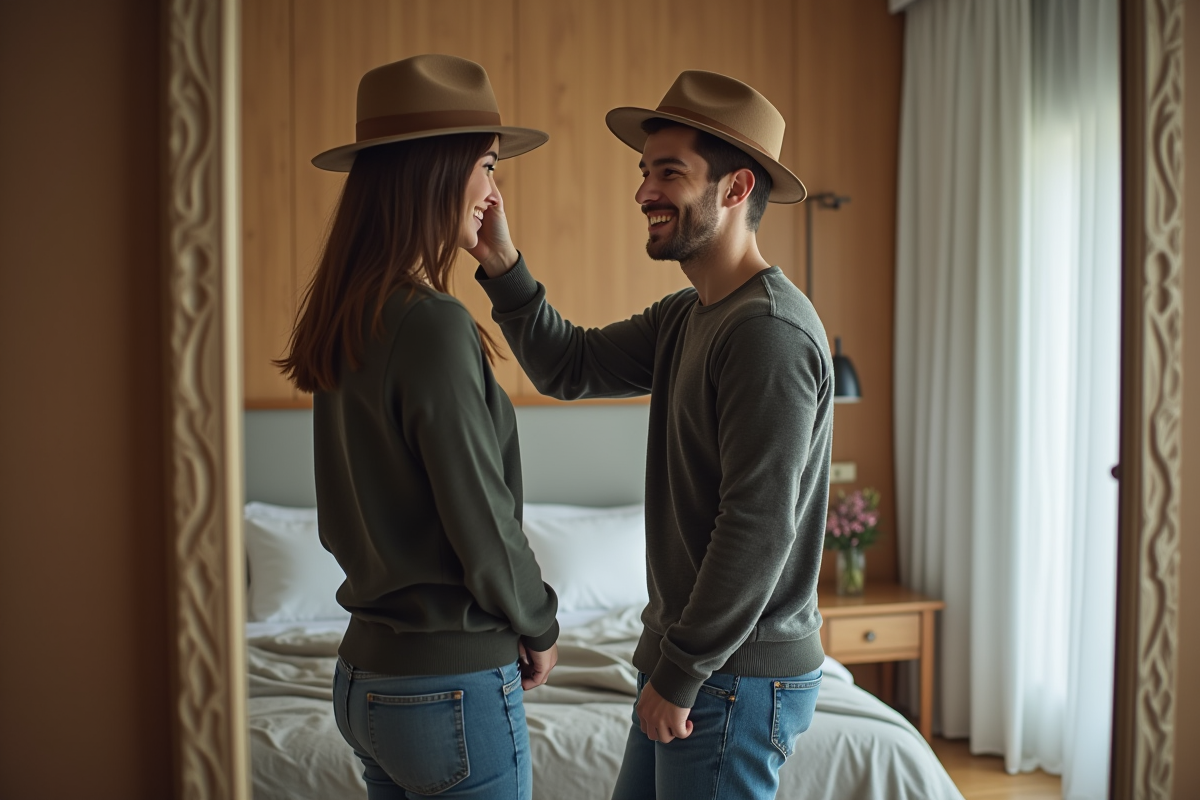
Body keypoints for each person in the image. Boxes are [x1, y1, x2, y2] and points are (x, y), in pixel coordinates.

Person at [467, 70, 833, 800]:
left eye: (670, 172)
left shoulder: (768, 334)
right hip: (692, 659)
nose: (643, 192)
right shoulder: (688, 315)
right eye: (645, 171)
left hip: (730, 674)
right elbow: (566, 365)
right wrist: (501, 262)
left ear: (735, 189)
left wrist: (682, 671)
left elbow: (757, 529)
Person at [277, 54, 559, 800]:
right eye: (488, 166)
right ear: (435, 171)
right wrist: (539, 622)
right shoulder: (430, 324)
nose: (496, 193)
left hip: (366, 681)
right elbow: (482, 517)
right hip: (450, 685)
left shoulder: (349, 315)